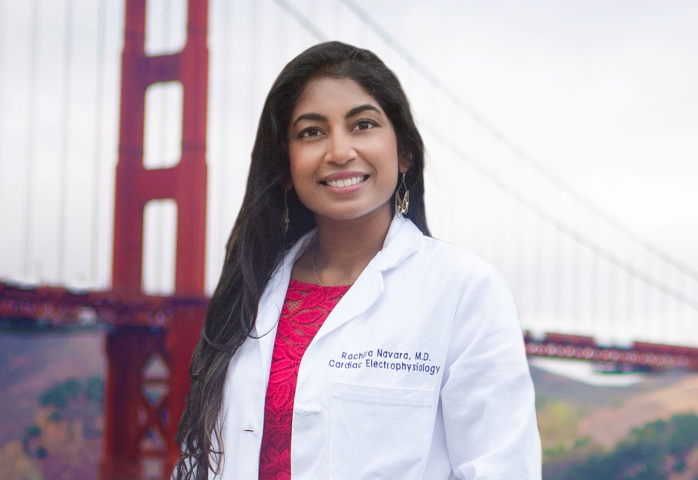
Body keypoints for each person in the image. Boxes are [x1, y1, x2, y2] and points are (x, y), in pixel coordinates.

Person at [174, 41, 541, 480]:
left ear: (403, 152)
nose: (339, 151)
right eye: (312, 132)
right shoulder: (249, 289)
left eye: (362, 124)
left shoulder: (464, 290)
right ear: (286, 165)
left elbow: (502, 468)